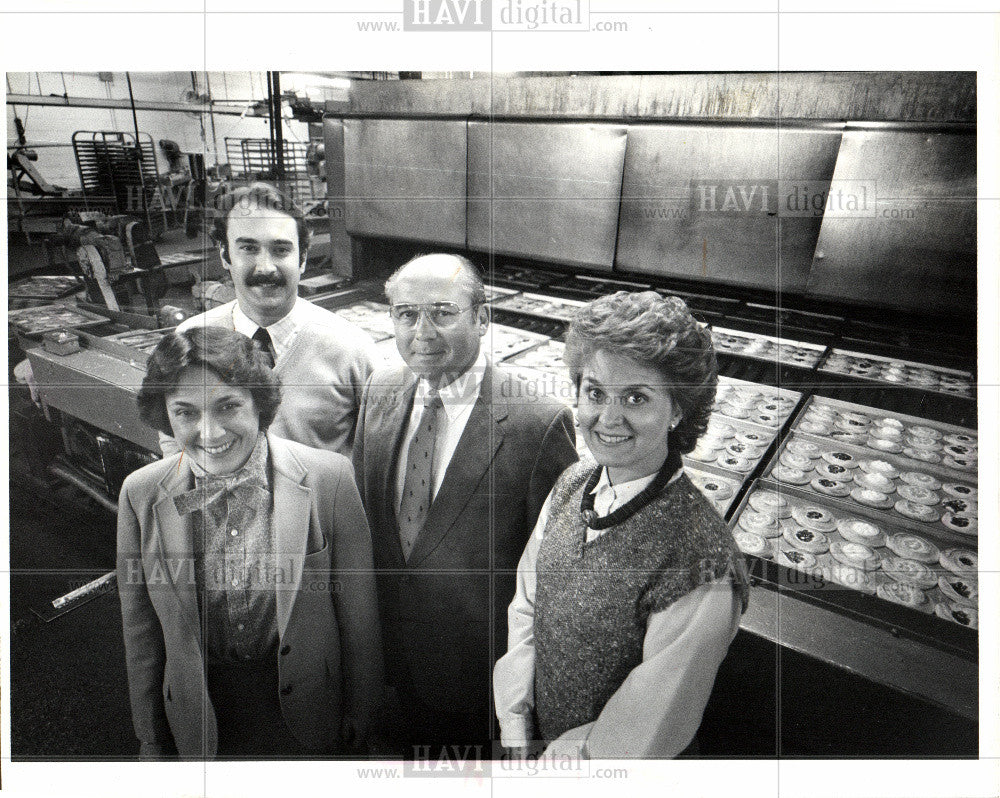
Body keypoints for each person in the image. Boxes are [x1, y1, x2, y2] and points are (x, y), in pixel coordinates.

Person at [494, 291, 750, 759]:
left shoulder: (701, 560)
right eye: (595, 392)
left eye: (636, 397)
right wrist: (515, 726)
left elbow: (645, 729)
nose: (608, 419)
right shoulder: (573, 485)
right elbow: (527, 608)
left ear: (677, 410)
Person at [117, 326, 383, 759]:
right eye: (185, 412)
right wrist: (150, 736)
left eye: (228, 406)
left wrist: (363, 704)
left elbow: (359, 612)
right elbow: (140, 629)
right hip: (203, 708)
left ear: (259, 403)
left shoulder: (329, 478)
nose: (210, 431)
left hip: (312, 702)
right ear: (166, 416)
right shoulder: (141, 493)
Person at [352, 253, 578, 758]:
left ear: (482, 318)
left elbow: (555, 583)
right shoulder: (380, 390)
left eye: (442, 312)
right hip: (385, 664)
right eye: (406, 314)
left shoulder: (536, 423)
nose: (422, 331)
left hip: (476, 683)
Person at [162, 181, 378, 457]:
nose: (265, 267)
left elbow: (378, 451)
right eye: (248, 249)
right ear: (225, 256)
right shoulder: (191, 338)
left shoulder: (352, 349)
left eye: (280, 250)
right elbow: (170, 433)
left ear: (302, 259)